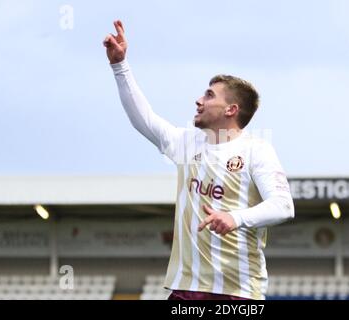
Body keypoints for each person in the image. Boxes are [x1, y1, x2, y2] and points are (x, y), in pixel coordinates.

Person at [103, 20, 295, 300]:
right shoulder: (186, 143)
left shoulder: (257, 150)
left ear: (231, 109)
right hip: (186, 290)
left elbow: (283, 206)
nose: (198, 100)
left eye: (209, 95)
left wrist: (234, 217)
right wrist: (120, 66)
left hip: (237, 291)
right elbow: (143, 119)